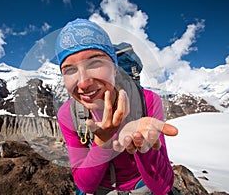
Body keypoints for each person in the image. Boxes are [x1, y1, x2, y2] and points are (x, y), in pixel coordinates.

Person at [54, 18, 178, 195]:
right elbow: (85, 186)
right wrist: (102, 142)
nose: (82, 83)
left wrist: (144, 146)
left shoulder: (147, 100)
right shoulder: (68, 113)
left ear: (114, 67)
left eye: (95, 63)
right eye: (69, 70)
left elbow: (162, 186)